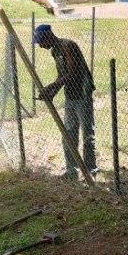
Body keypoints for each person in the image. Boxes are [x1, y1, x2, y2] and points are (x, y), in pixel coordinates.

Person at [33, 24, 97, 179]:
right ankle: (71, 172)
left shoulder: (68, 46)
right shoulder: (55, 51)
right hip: (70, 95)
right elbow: (61, 76)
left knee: (87, 134)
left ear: (48, 36)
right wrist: (52, 93)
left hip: (82, 93)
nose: (40, 46)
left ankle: (90, 170)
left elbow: (72, 72)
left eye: (40, 41)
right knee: (68, 133)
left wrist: (51, 86)